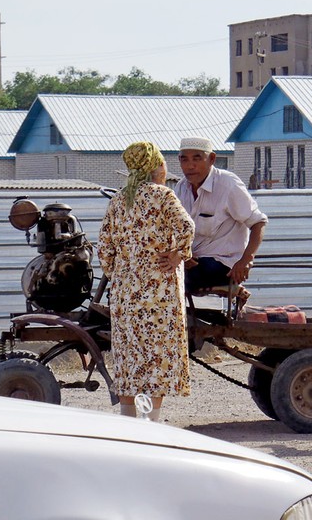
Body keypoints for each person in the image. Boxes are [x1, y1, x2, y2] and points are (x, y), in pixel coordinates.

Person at [97, 141, 195, 422]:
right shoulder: (162, 196)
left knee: (129, 355)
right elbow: (187, 227)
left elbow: (104, 249)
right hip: (160, 291)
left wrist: (122, 273)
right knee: (158, 354)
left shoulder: (118, 200)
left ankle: (128, 420)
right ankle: (151, 422)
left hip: (126, 293)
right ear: (154, 166)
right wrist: (178, 255)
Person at [159, 137, 268, 294]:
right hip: (193, 262)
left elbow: (258, 223)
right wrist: (182, 255)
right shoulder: (181, 187)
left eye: (197, 158)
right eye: (185, 160)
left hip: (222, 264)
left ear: (211, 159)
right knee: (156, 265)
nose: (190, 166)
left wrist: (246, 261)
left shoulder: (228, 184)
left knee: (171, 276)